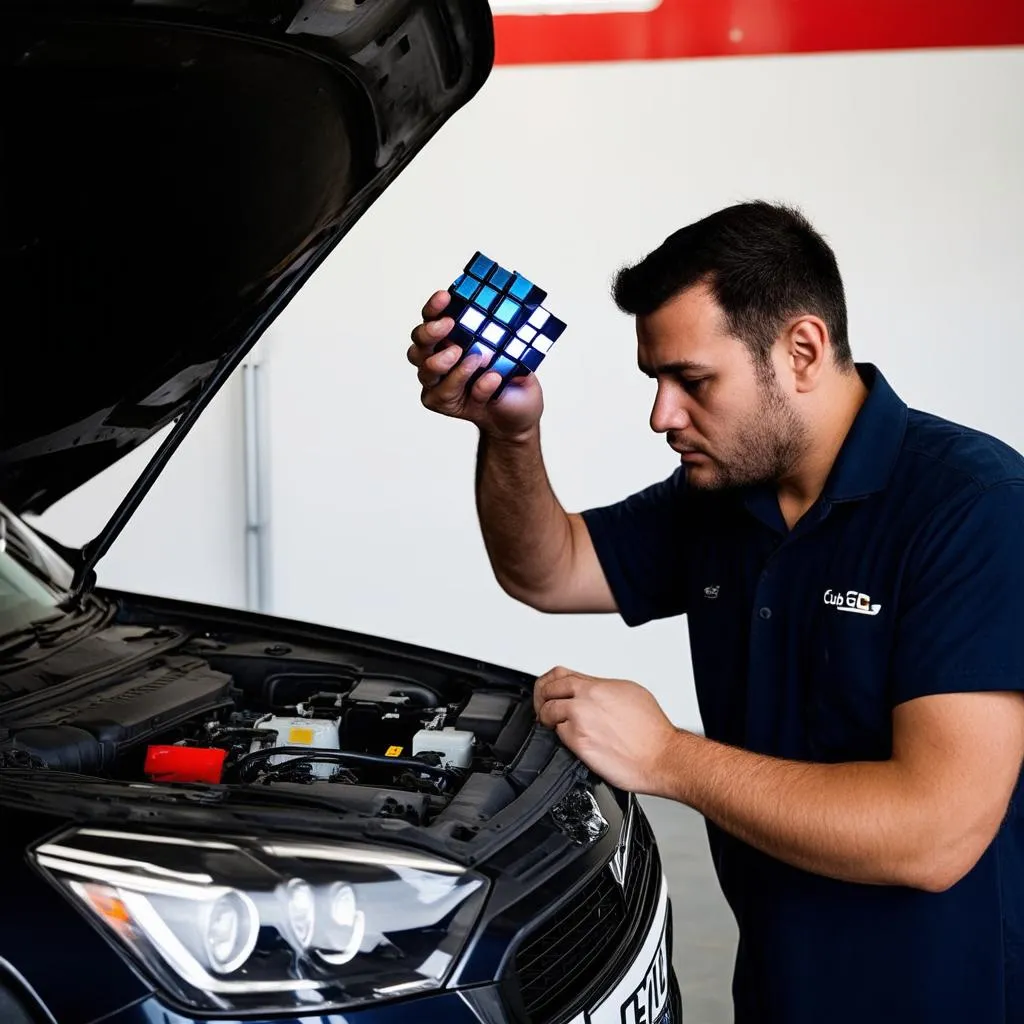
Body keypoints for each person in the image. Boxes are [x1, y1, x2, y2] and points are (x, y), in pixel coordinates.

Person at [406, 201, 1024, 1024]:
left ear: (801, 350)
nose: (662, 414)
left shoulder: (974, 507)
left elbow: (934, 835)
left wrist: (666, 758)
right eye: (656, 381)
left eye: (692, 381)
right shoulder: (720, 496)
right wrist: (510, 436)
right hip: (774, 984)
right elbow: (548, 570)